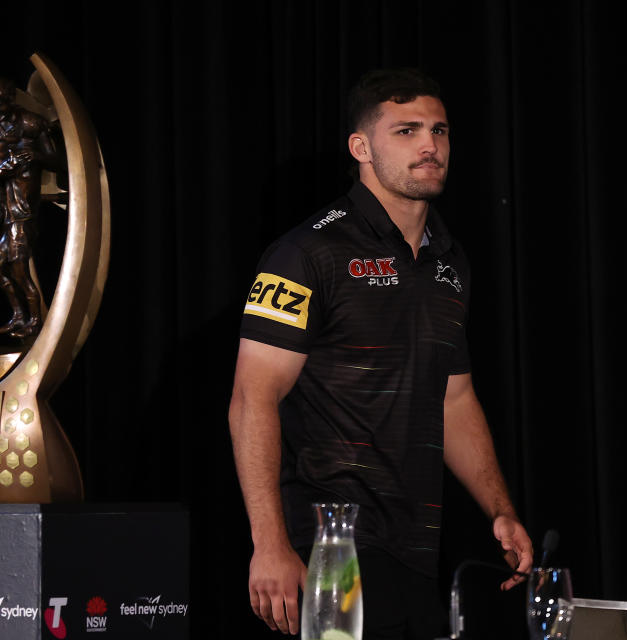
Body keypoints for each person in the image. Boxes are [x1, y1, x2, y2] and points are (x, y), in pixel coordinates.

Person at [228, 68, 532, 639]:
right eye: (407, 131)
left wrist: (500, 509)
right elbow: (252, 397)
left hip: (416, 549)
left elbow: (455, 397)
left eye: (439, 132)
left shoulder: (449, 259)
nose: (429, 145)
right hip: (328, 545)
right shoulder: (306, 252)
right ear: (361, 147)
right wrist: (269, 544)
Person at [0, 80, 57, 338]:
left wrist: (35, 157)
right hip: (1, 204)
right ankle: (13, 313)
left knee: (18, 270)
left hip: (21, 214)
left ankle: (35, 321)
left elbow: (56, 160)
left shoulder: (31, 126)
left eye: (1, 103)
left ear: (12, 100)